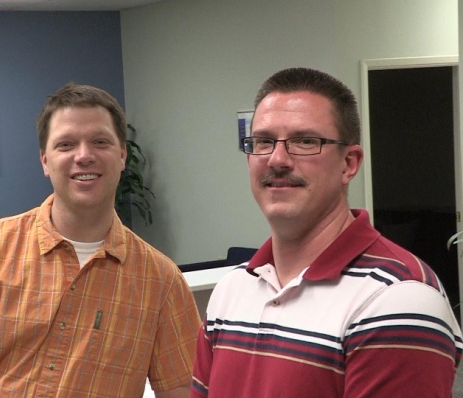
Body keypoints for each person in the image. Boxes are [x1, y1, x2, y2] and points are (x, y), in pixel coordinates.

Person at [0, 82, 201, 397]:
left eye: (100, 141)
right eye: (66, 144)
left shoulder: (162, 282)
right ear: (44, 161)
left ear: (122, 156)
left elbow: (181, 391)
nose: (84, 156)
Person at [191, 67, 463, 397]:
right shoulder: (230, 292)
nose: (277, 159)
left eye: (305, 141)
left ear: (349, 163)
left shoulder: (396, 300)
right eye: (263, 142)